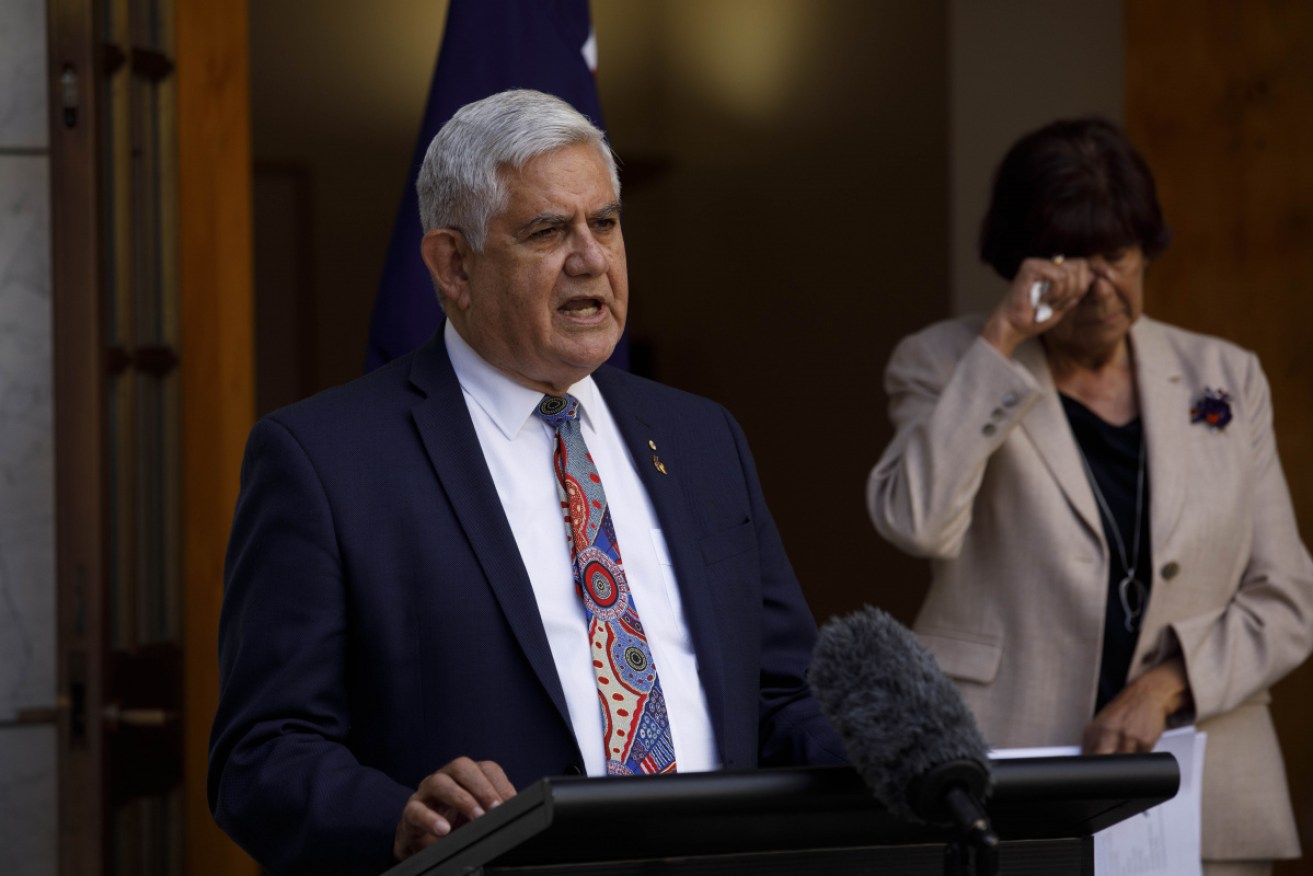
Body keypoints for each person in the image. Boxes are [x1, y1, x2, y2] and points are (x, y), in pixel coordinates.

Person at [208, 89, 846, 876]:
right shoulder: (324, 460)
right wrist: (398, 816)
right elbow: (261, 756)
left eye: (605, 223)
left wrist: (913, 765)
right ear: (453, 265)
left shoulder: (700, 436)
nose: (590, 258)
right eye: (547, 230)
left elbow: (784, 695)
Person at [867, 117, 1313, 875]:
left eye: (1118, 256)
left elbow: (1287, 597)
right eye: (1074, 261)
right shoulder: (944, 363)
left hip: (1202, 783)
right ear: (1022, 263)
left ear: (1145, 251)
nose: (1101, 288)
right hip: (1013, 770)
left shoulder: (1225, 376)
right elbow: (915, 523)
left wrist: (1166, 686)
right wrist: (1004, 337)